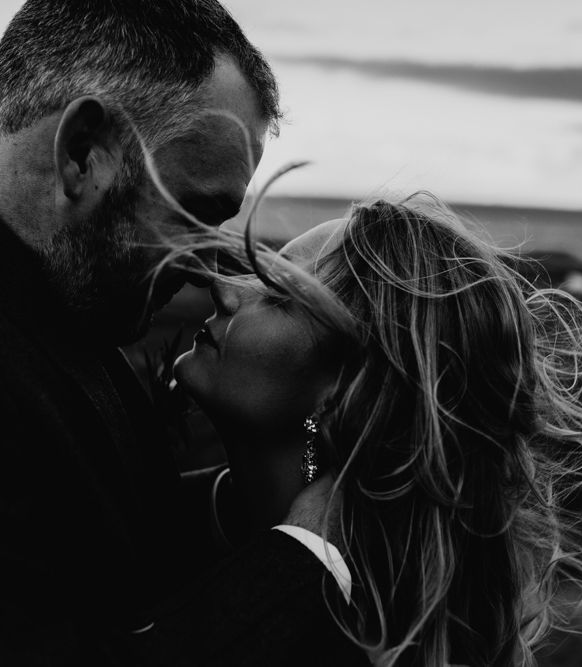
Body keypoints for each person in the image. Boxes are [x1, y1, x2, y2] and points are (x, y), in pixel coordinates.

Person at [171, 191, 582, 666]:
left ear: (347, 390)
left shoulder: (355, 639)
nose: (224, 288)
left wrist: (303, 556)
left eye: (279, 293)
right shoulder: (144, 506)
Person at [0, 2, 357, 665]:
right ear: (82, 152)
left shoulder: (70, 318)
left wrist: (257, 501)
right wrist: (307, 547)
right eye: (194, 210)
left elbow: (98, 548)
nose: (208, 262)